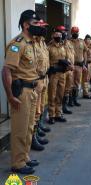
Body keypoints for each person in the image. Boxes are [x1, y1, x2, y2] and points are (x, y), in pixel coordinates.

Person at [2, 9, 43, 174]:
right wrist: (10, 96)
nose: (39, 27)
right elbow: (6, 71)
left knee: (28, 127)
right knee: (20, 129)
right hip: (22, 93)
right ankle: (17, 163)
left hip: (32, 90)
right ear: (26, 25)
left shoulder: (32, 43)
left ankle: (24, 157)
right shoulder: (17, 44)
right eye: (35, 24)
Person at [31, 20, 50, 151]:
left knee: (41, 107)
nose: (44, 29)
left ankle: (37, 132)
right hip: (36, 81)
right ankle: (32, 138)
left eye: (44, 27)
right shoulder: (32, 43)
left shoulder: (42, 42)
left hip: (44, 79)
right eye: (42, 27)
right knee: (34, 112)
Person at [48, 30, 71, 124]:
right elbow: (45, 61)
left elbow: (67, 58)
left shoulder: (64, 47)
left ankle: (58, 113)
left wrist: (67, 64)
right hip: (53, 74)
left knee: (60, 95)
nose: (59, 36)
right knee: (52, 95)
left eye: (60, 35)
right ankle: (51, 115)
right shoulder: (49, 47)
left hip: (62, 74)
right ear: (53, 36)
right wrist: (51, 67)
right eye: (57, 35)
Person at [55, 25, 75, 113]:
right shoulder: (55, 44)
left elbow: (72, 55)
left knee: (67, 89)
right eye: (62, 32)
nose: (65, 33)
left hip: (69, 70)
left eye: (65, 32)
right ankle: (57, 111)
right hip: (61, 71)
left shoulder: (69, 43)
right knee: (59, 92)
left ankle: (64, 106)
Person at [70, 26, 88, 106]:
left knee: (77, 83)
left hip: (79, 66)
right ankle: (69, 100)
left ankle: (75, 99)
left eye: (76, 32)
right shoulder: (68, 42)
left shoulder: (81, 42)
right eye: (74, 32)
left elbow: (85, 52)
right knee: (70, 83)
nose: (75, 34)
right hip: (71, 66)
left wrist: (85, 64)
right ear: (71, 33)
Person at [83, 34, 91, 99]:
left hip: (90, 64)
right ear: (85, 40)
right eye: (88, 39)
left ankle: (87, 91)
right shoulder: (84, 47)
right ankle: (85, 93)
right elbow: (83, 56)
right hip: (85, 64)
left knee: (88, 78)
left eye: (90, 39)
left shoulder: (90, 47)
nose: (89, 41)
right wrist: (84, 64)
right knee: (85, 79)